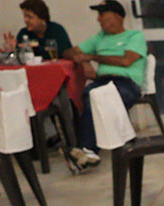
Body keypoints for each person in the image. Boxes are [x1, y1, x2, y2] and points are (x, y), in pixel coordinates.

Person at [61, 1, 146, 172]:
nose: (98, 19)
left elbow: (126, 61)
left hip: (126, 82)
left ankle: (88, 149)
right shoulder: (100, 37)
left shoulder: (134, 36)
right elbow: (68, 52)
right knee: (89, 94)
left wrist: (91, 57)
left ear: (118, 17)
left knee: (102, 98)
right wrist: (83, 61)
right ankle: (87, 151)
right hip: (102, 81)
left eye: (102, 15)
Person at [4, 0, 73, 61]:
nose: (25, 20)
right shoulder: (23, 33)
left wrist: (34, 48)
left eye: (30, 17)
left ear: (42, 19)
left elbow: (60, 53)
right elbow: (18, 58)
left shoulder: (56, 30)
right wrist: (11, 51)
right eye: (25, 16)